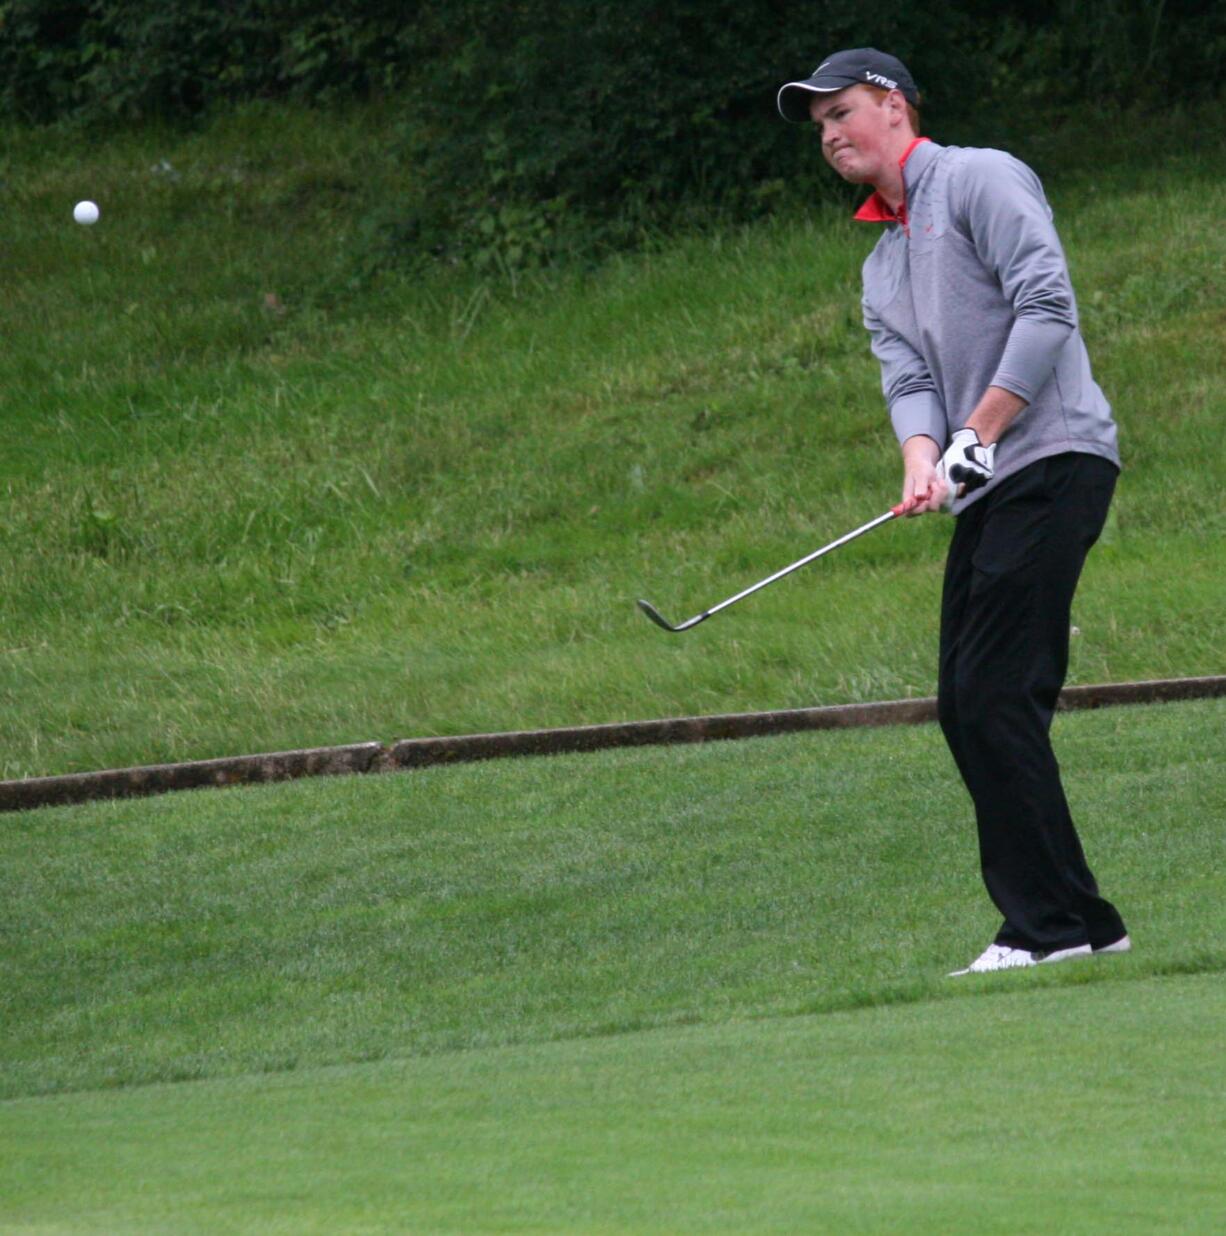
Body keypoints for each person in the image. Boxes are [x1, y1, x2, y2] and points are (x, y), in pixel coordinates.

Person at [777, 48, 1131, 975]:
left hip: (1052, 457)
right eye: (819, 125)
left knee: (994, 696)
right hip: (990, 481)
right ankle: (1081, 923)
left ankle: (1046, 931)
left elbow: (1047, 303)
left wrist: (982, 429)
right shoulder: (881, 262)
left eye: (842, 111)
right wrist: (925, 458)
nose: (830, 133)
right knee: (966, 704)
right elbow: (908, 380)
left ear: (893, 106)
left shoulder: (977, 176)